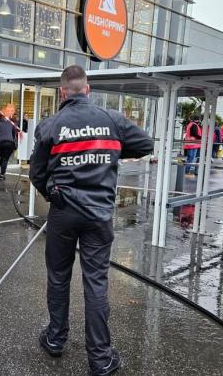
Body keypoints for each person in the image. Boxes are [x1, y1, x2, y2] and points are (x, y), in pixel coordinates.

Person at [30, 65, 153, 376]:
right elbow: (146, 144)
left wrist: (52, 192)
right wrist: (108, 151)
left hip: (64, 212)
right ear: (87, 90)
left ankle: (56, 339)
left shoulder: (51, 124)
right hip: (99, 214)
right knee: (95, 283)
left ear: (62, 93)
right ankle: (100, 359)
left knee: (58, 277)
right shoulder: (111, 120)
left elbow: (37, 173)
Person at [0, 112, 18, 180]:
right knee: (5, 158)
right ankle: (2, 174)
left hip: (0, 144)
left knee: (2, 157)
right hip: (9, 144)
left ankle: (2, 173)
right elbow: (14, 134)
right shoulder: (10, 124)